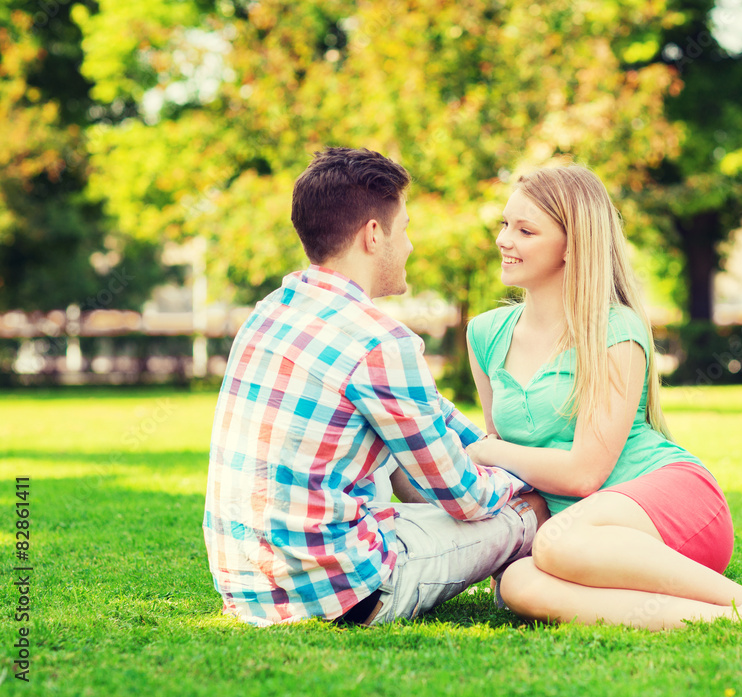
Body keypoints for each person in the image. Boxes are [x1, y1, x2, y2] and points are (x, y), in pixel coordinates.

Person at [465, 164, 742, 631]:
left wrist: (489, 451)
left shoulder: (615, 329)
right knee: (518, 584)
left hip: (668, 504)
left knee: (556, 542)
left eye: (525, 230)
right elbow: (517, 477)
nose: (504, 240)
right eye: (505, 225)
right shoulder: (484, 334)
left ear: (573, 245)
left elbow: (584, 474)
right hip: (576, 542)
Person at [203, 146, 547, 628]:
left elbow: (436, 416)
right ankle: (537, 585)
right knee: (529, 508)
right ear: (372, 235)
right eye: (403, 230)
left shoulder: (269, 312)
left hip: (249, 589)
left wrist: (495, 449)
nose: (409, 246)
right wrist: (528, 478)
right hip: (346, 594)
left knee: (406, 479)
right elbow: (467, 496)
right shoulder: (380, 342)